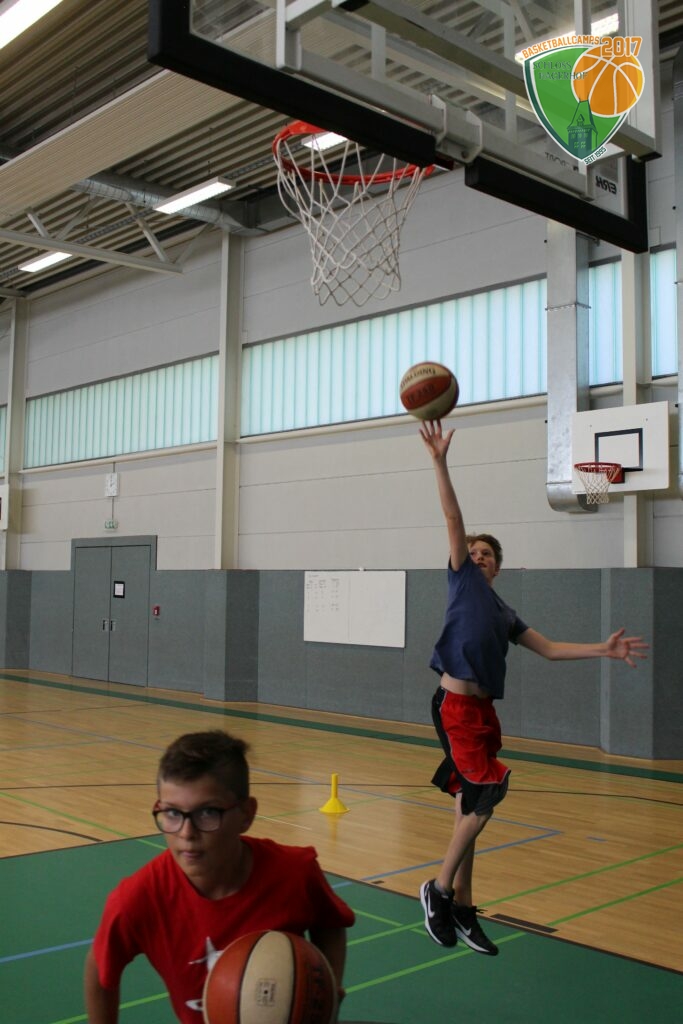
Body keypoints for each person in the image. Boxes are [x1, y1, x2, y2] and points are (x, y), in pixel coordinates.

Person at [418, 420, 648, 956]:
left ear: (498, 568)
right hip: (454, 705)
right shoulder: (461, 579)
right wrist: (440, 462)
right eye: (474, 551)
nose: (478, 557)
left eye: (487, 555)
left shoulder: (504, 612)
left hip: (482, 715)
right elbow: (452, 516)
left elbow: (548, 648)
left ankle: (464, 908)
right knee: (485, 798)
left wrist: (604, 649)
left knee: (469, 809)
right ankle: (438, 889)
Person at [84, 729, 354, 1023]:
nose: (187, 833)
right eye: (172, 813)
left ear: (246, 814)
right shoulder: (138, 897)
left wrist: (327, 985)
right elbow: (99, 971)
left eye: (208, 812)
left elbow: (330, 925)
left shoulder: (294, 872)